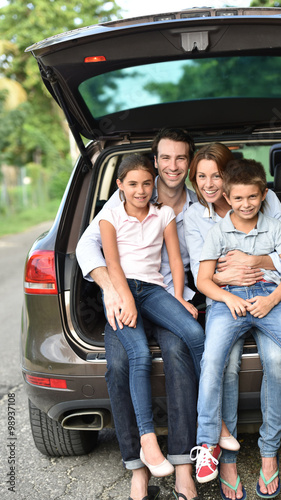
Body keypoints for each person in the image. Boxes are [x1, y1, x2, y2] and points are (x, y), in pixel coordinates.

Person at [77, 128, 240, 500]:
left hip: (170, 297)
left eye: (182, 158)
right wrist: (113, 291)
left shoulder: (200, 208)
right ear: (154, 162)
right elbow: (91, 250)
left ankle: (184, 462)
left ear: (191, 162)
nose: (173, 165)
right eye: (165, 158)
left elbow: (214, 255)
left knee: (181, 354)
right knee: (120, 365)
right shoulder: (117, 208)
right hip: (125, 295)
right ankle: (138, 467)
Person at [193, 158, 281, 497]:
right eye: (238, 199)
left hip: (272, 298)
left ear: (263, 194)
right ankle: (208, 442)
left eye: (252, 198)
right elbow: (202, 281)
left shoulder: (275, 227)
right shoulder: (218, 231)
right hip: (231, 302)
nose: (246, 205)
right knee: (212, 360)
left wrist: (270, 302)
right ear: (227, 197)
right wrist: (227, 298)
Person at [97, 152, 205, 477]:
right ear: (120, 185)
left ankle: (215, 417)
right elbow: (112, 263)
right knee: (139, 355)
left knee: (196, 334)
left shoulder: (165, 214)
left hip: (154, 290)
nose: (141, 190)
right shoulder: (109, 218)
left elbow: (174, 260)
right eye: (132, 184)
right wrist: (123, 297)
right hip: (122, 291)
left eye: (146, 183)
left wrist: (178, 298)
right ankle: (148, 439)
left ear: (153, 184)